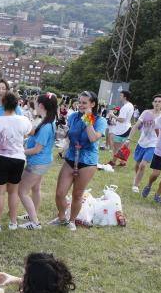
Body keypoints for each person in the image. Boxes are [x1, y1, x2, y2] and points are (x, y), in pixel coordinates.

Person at [49, 91, 107, 231]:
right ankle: (62, 217)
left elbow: (93, 138)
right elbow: (69, 134)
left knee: (77, 194)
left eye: (84, 103)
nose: (80, 105)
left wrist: (88, 119)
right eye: (79, 102)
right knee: (60, 193)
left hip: (87, 161)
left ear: (92, 104)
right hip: (70, 157)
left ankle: (72, 221)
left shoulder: (100, 120)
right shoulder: (73, 116)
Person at [0, 91, 32, 231]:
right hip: (18, 159)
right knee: (13, 192)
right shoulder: (23, 120)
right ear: (17, 104)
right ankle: (13, 222)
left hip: (0, 159)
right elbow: (29, 131)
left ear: (3, 103)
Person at [17, 93, 58, 230]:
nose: (34, 104)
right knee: (35, 188)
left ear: (41, 105)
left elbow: (36, 149)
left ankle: (35, 222)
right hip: (43, 161)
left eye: (35, 102)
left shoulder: (47, 125)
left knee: (21, 191)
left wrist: (19, 151)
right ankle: (32, 214)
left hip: (37, 163)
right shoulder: (48, 120)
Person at [131, 94, 161, 193]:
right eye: (155, 101)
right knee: (137, 164)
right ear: (153, 103)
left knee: (143, 165)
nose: (157, 103)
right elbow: (136, 125)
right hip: (141, 143)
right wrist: (129, 139)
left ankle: (136, 185)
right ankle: (137, 178)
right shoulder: (146, 112)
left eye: (159, 101)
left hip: (153, 144)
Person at [108, 90, 134, 163]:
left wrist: (112, 115)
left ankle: (113, 162)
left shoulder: (125, 107)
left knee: (116, 147)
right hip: (127, 127)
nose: (120, 97)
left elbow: (122, 120)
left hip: (121, 130)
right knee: (123, 146)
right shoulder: (130, 105)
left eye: (121, 95)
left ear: (125, 97)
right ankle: (123, 162)